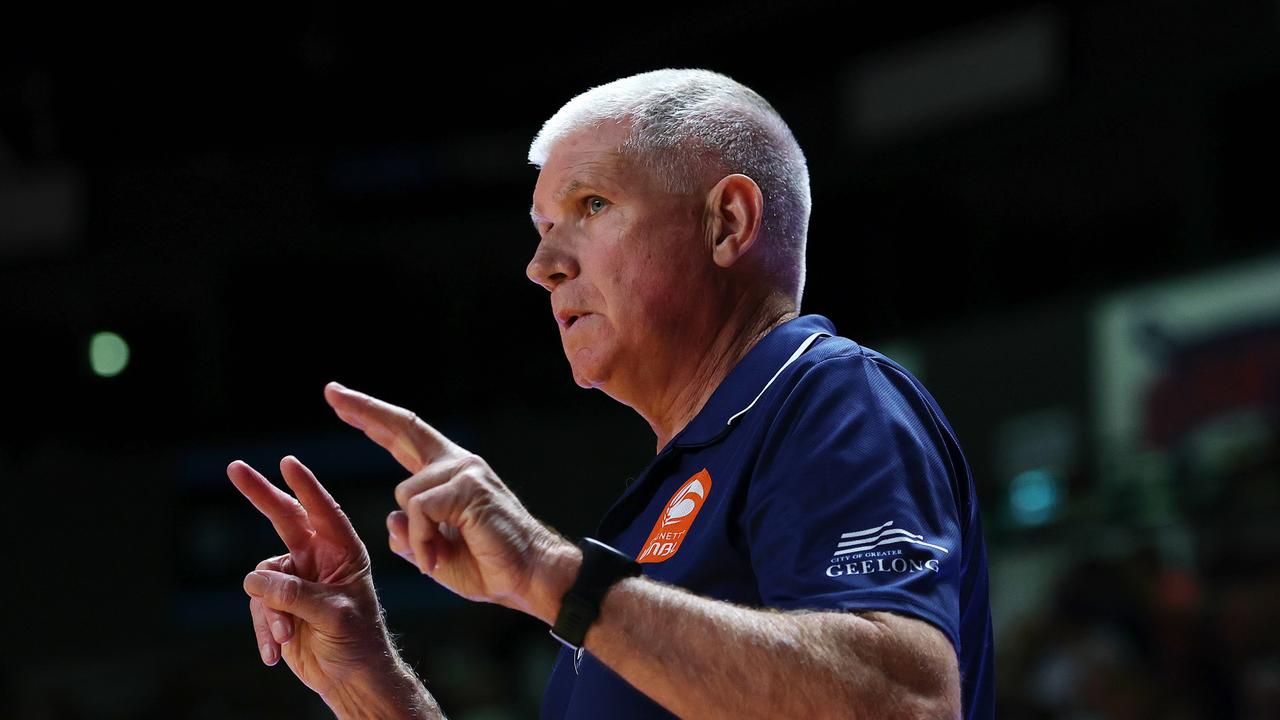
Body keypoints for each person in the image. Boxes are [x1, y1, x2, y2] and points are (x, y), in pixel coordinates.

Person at [228, 68, 994, 719]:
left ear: (727, 222)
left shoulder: (826, 395)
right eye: (541, 225)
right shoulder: (651, 512)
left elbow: (913, 703)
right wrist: (375, 692)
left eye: (591, 206)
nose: (542, 264)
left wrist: (546, 572)